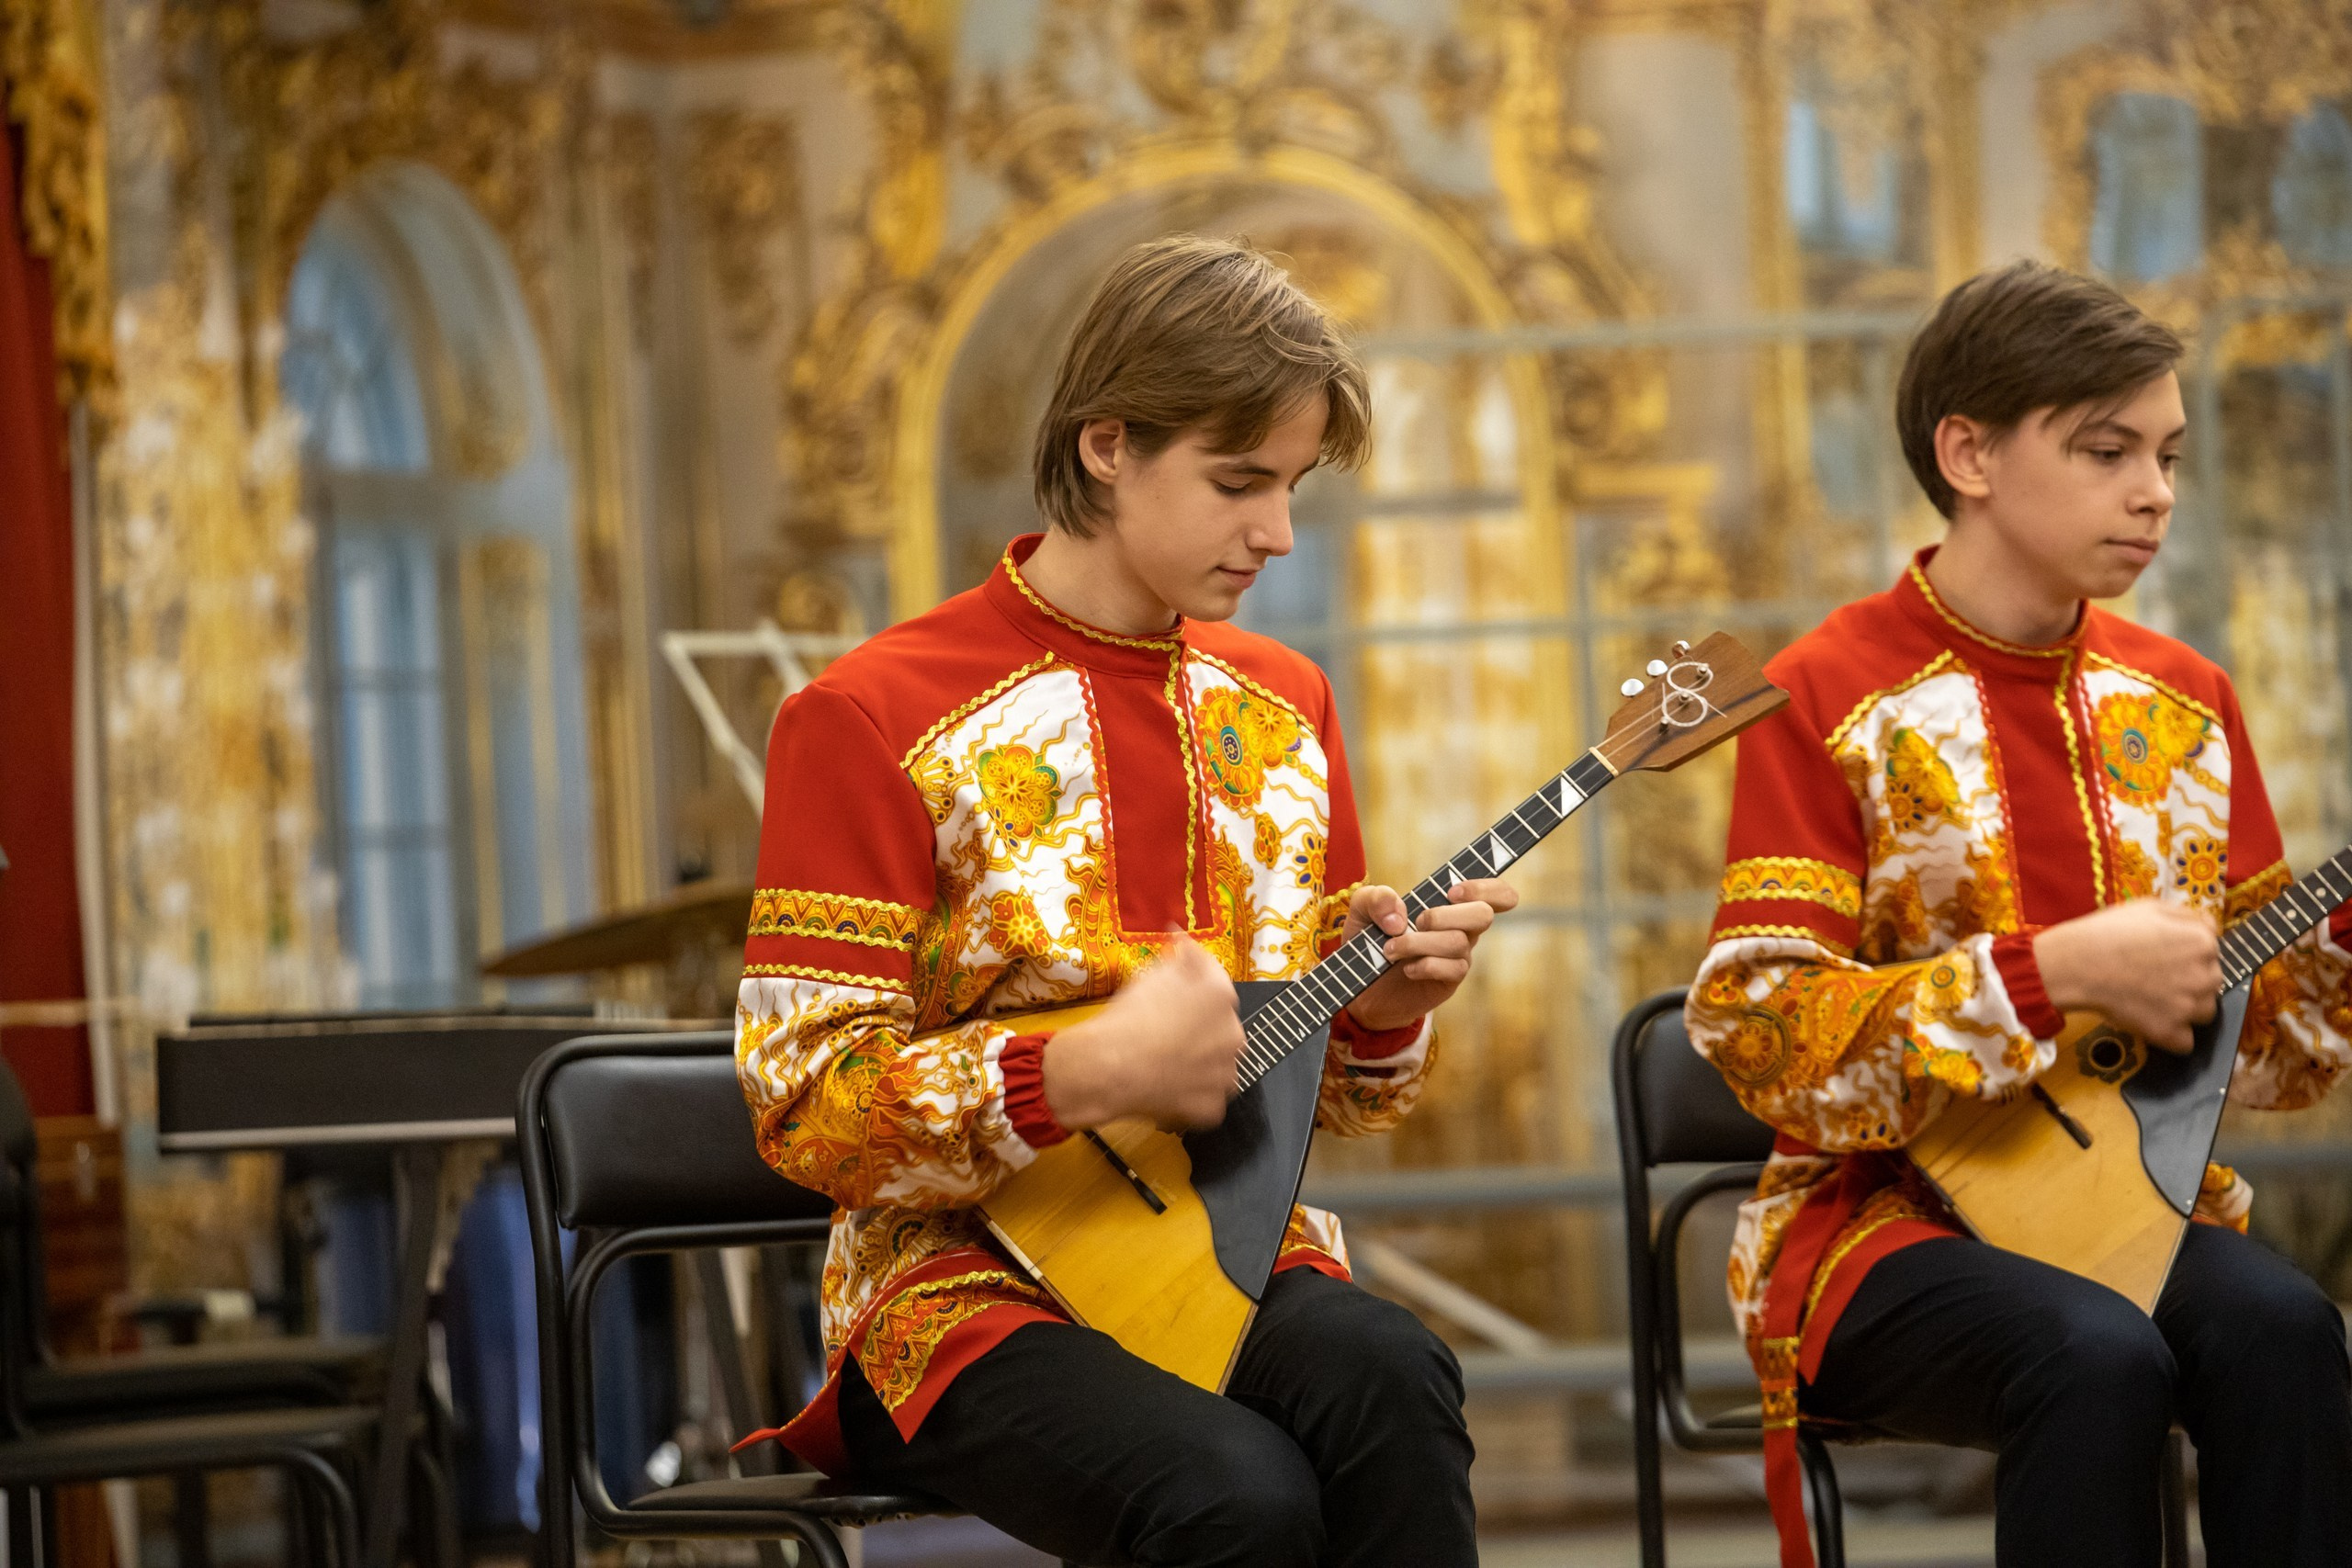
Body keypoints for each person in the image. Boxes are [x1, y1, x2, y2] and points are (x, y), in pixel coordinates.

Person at [732, 234, 1513, 1567]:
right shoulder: (866, 716)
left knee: (1398, 1381)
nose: (1274, 532)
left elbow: (1332, 1101)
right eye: (1236, 483)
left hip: (1224, 1256)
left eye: (1291, 487)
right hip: (950, 1295)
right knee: (1236, 1495)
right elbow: (806, 1108)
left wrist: (1379, 1013)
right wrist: (1076, 1072)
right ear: (1107, 447)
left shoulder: (1285, 706)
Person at [1686, 259, 2352, 1567]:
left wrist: (2327, 961)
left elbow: (2272, 1060)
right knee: (2094, 1357)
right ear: (1968, 453)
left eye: (2164, 453)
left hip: (2132, 1202)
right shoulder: (1825, 692)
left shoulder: (2186, 701)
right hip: (1870, 1225)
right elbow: (1762, 1035)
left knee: (2286, 1331)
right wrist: (2047, 975)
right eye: (2107, 451)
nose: (2155, 491)